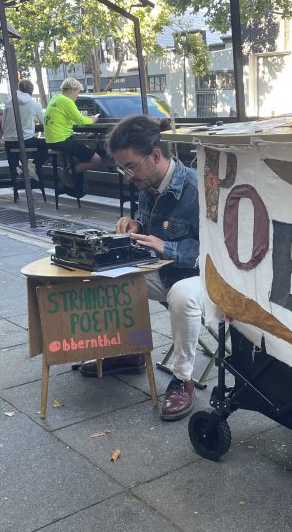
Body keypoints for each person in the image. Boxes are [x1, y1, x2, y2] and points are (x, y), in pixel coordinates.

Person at [78, 116, 203, 422]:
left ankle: (182, 379)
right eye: (122, 168)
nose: (126, 175)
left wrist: (166, 247)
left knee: (184, 297)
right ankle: (129, 351)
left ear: (156, 156)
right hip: (163, 270)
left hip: (201, 276)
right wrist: (134, 224)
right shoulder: (147, 182)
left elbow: (218, 252)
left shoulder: (198, 188)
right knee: (108, 273)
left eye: (130, 167)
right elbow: (148, 225)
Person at [43, 78, 101, 196]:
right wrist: (93, 119)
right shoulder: (67, 101)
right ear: (73, 89)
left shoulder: (55, 99)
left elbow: (69, 120)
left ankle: (71, 176)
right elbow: (80, 120)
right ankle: (68, 173)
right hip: (62, 139)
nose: (77, 95)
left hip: (51, 140)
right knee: (96, 159)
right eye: (77, 92)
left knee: (79, 155)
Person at [2, 79, 48, 183]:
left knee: (12, 159)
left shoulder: (9, 102)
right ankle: (33, 166)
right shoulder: (34, 104)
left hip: (9, 142)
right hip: (26, 141)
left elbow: (3, 123)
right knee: (48, 145)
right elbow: (45, 123)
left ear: (19, 89)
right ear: (31, 91)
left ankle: (16, 173)